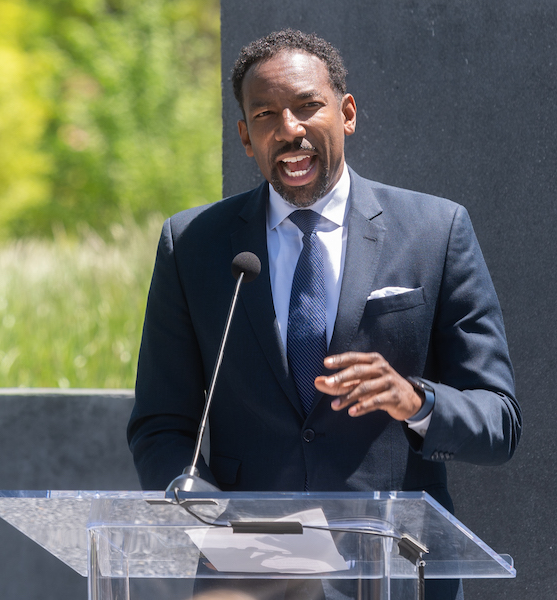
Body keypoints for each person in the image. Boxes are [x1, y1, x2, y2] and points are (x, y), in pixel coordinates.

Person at [127, 30, 519, 598]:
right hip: (252, 579)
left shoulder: (435, 232)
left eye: (307, 106)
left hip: (396, 575)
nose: (289, 129)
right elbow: (162, 427)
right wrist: (217, 529)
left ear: (347, 113)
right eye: (265, 115)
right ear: (245, 137)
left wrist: (416, 402)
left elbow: (498, 421)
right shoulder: (193, 245)